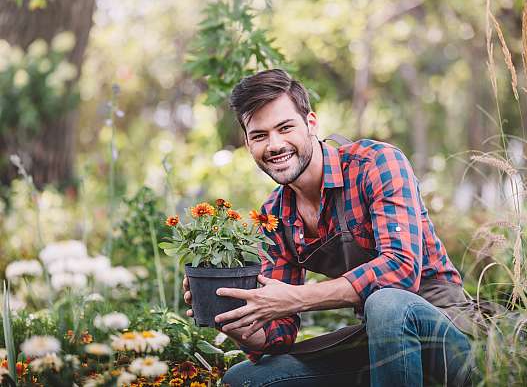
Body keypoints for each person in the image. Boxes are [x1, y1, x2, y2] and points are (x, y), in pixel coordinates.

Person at [183, 69, 477, 386]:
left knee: (387, 302)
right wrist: (247, 325)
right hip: (378, 342)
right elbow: (279, 331)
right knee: (245, 379)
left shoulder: (375, 163)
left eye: (285, 128)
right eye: (259, 136)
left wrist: (297, 297)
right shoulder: (274, 216)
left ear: (311, 124)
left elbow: (401, 269)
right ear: (247, 143)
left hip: (446, 332)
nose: (274, 145)